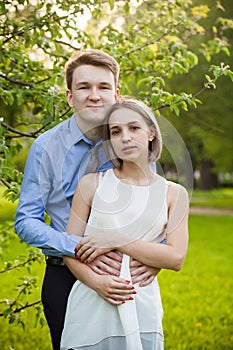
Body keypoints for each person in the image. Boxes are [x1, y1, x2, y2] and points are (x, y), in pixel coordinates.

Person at [14, 50, 160, 350]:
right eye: (84, 87)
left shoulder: (134, 143)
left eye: (103, 87)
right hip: (65, 277)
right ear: (69, 96)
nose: (94, 95)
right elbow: (26, 220)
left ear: (116, 94)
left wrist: (154, 257)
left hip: (129, 278)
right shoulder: (46, 148)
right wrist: (78, 249)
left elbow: (155, 209)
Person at [60, 97, 189, 350]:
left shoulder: (174, 193)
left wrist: (117, 239)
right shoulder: (90, 185)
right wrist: (97, 283)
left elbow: (175, 258)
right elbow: (69, 249)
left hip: (142, 300)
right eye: (115, 132)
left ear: (151, 132)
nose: (125, 137)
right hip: (92, 301)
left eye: (134, 128)